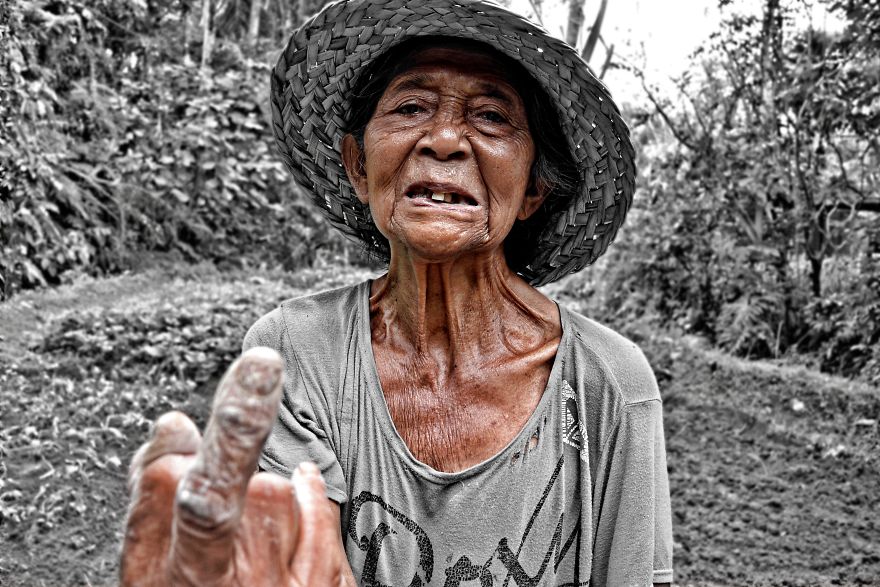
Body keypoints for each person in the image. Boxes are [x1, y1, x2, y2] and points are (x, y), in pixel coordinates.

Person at [120, 0, 673, 585]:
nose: (443, 140)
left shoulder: (608, 384)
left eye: (490, 118)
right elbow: (302, 568)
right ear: (359, 167)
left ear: (535, 186)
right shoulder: (299, 353)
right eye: (411, 107)